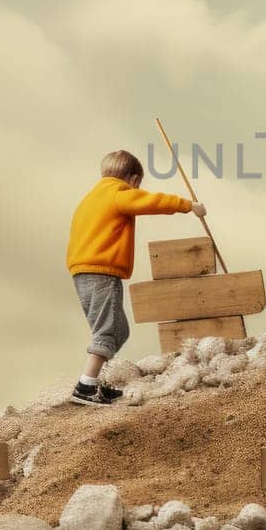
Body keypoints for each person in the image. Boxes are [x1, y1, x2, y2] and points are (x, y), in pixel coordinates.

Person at [65, 149, 204, 405]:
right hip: (102, 272)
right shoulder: (118, 194)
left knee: (119, 329)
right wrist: (188, 206)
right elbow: (152, 202)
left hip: (82, 272)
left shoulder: (89, 199)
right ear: (134, 180)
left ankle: (97, 382)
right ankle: (86, 386)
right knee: (107, 331)